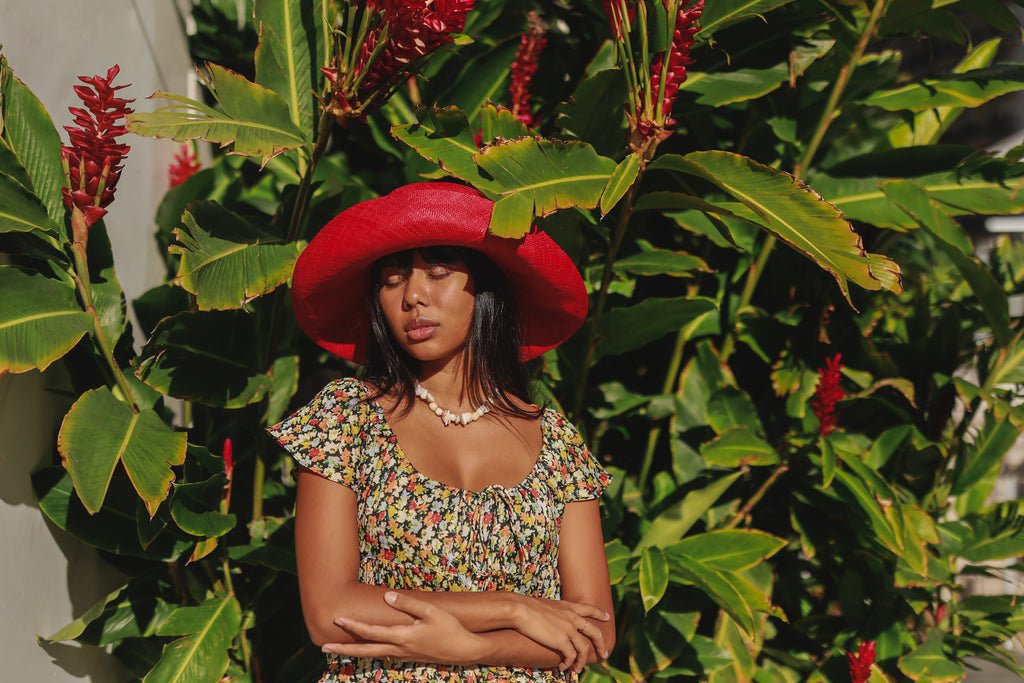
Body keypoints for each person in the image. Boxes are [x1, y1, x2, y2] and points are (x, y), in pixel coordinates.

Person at [268, 182, 615, 682]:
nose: (412, 296)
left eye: (439, 272)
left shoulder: (557, 442)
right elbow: (330, 611)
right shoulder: (346, 419)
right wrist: (512, 609)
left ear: (487, 288)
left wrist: (471, 650)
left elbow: (595, 630)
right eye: (391, 281)